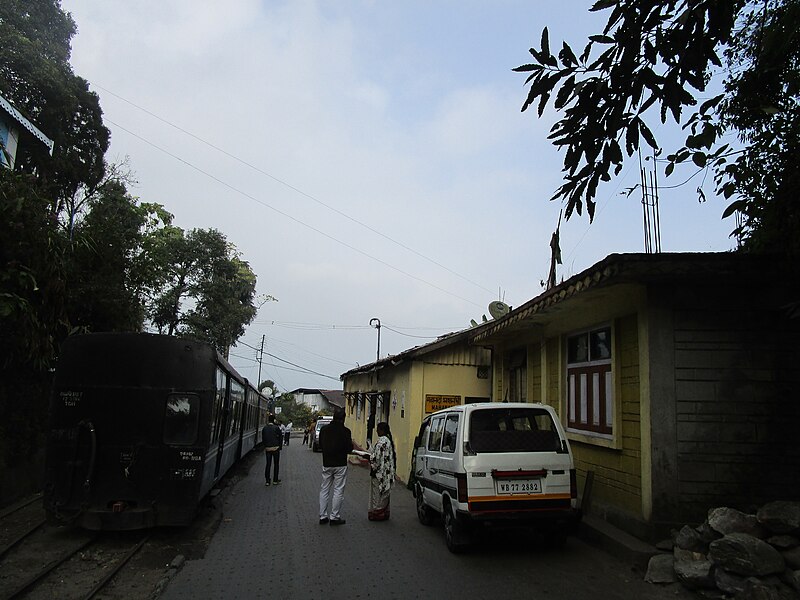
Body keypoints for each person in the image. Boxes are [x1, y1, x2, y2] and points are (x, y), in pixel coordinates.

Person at [318, 408, 353, 525]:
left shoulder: (324, 429)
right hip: (340, 464)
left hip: (327, 463)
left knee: (324, 489)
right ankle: (334, 516)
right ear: (343, 418)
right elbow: (349, 448)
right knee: (338, 490)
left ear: (333, 417)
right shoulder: (346, 431)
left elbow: (321, 445)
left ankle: (322, 516)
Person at [368, 421, 396, 521]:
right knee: (385, 491)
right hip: (387, 471)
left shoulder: (381, 442)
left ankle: (377, 512)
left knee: (377, 493)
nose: (376, 431)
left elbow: (377, 458)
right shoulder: (388, 441)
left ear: (381, 430)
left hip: (379, 472)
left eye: (378, 429)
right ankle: (385, 512)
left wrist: (369, 457)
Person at [261, 414, 282, 486]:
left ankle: (267, 481)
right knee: (276, 464)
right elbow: (280, 437)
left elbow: (263, 438)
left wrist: (265, 446)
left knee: (268, 464)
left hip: (268, 449)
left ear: (268, 420)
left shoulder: (265, 428)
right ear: (274, 420)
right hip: (276, 448)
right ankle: (275, 480)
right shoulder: (276, 428)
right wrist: (280, 447)